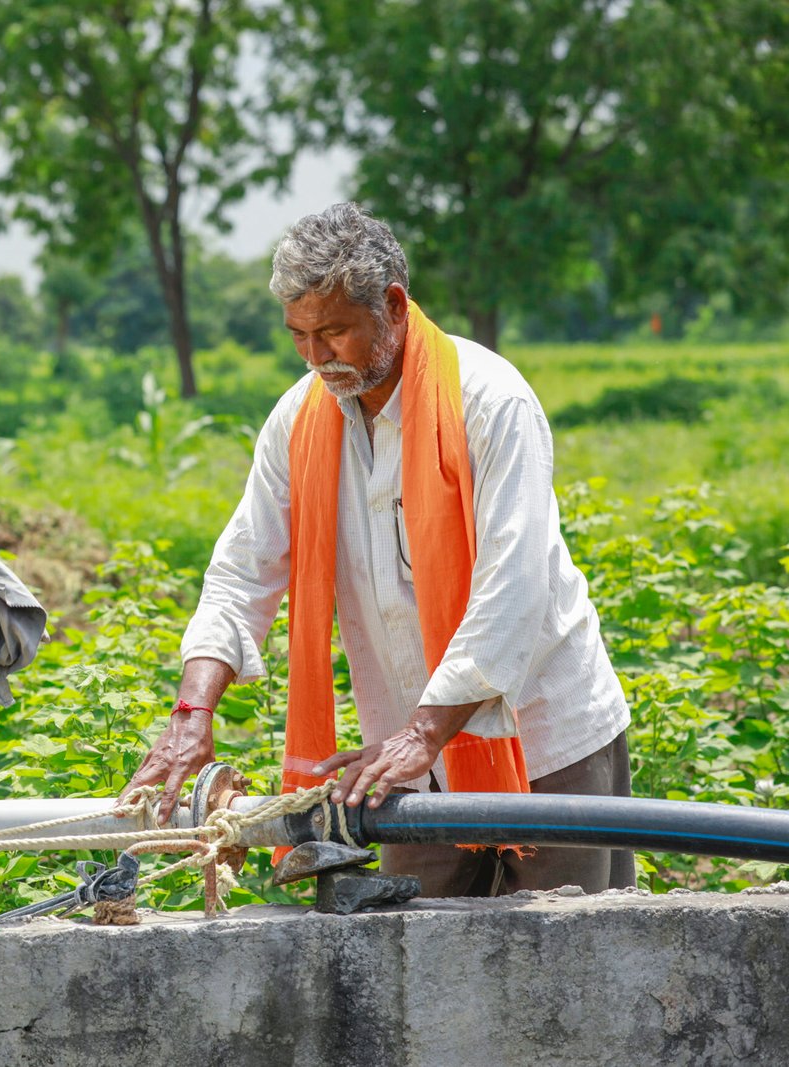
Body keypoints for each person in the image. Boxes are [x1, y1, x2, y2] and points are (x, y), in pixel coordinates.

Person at [122, 202, 634, 897]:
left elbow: (513, 587)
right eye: (298, 334)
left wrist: (423, 732)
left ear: (393, 306)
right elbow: (242, 572)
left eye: (333, 331)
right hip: (405, 762)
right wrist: (192, 715)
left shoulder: (488, 400)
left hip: (545, 739)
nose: (315, 355)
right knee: (414, 967)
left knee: (567, 968)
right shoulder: (298, 421)